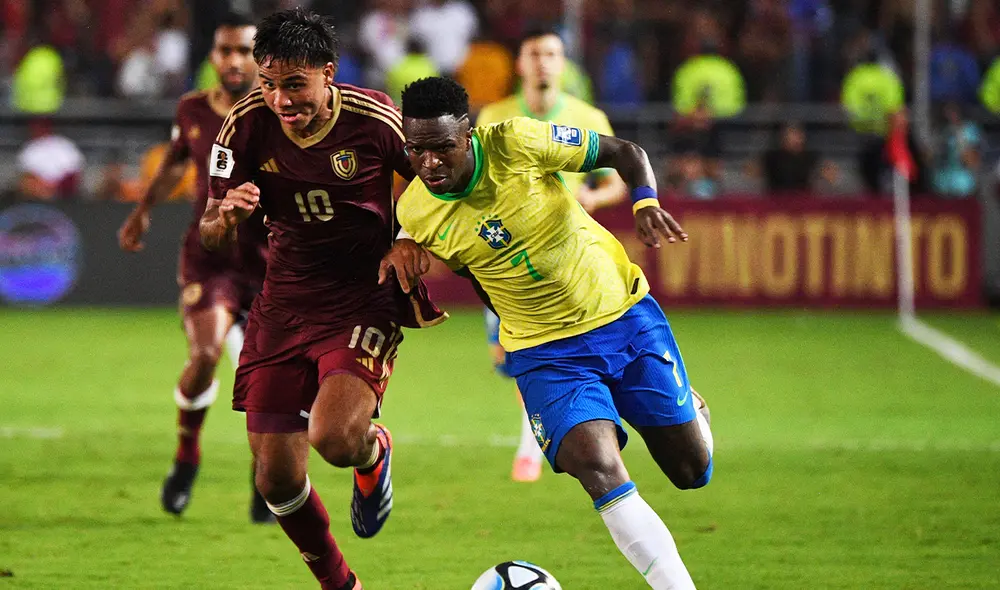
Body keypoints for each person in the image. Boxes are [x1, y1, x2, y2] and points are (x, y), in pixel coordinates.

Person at [395, 77, 714, 590]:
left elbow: (627, 153)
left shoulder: (518, 141)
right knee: (598, 467)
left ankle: (691, 408)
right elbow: (476, 275)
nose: (429, 163)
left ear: (468, 135)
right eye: (416, 150)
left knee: (690, 470)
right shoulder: (416, 211)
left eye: (442, 148)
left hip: (619, 315)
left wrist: (645, 203)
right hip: (544, 352)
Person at [198, 10, 444, 590]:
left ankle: (371, 453)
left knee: (333, 439)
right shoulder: (243, 126)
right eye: (268, 83)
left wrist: (409, 237)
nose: (280, 100)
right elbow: (209, 231)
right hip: (284, 302)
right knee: (276, 480)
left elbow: (439, 181)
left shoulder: (376, 119)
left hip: (363, 295)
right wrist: (224, 218)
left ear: (328, 74)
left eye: (295, 84)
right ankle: (342, 585)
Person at [116, 12, 272, 521]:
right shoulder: (193, 110)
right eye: (226, 50)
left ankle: (267, 475)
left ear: (260, 58)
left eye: (245, 51)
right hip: (211, 259)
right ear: (212, 56)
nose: (235, 60)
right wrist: (142, 210)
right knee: (205, 355)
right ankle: (187, 456)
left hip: (271, 263)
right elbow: (176, 162)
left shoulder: (280, 112)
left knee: (266, 380)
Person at [474, 26, 626, 482]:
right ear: (520, 64)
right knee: (510, 360)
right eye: (534, 53)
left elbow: (616, 179)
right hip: (506, 260)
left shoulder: (588, 117)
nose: (543, 62)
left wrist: (594, 197)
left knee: (553, 351)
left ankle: (533, 445)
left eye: (551, 54)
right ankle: (544, 435)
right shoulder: (494, 117)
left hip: (567, 258)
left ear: (563, 64)